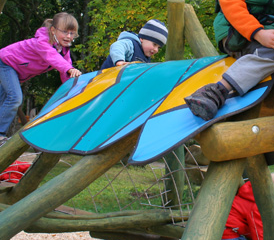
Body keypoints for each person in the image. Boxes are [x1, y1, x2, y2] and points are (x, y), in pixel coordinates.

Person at [0, 12, 82, 144]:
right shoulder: (43, 42)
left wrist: (73, 91)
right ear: (53, 30)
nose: (68, 36)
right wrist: (69, 69)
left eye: (72, 33)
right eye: (65, 32)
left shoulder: (63, 50)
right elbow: (54, 59)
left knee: (3, 100)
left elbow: (66, 72)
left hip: (16, 71)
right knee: (14, 98)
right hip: (6, 63)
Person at [101, 19, 168, 69]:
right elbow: (117, 46)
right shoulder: (131, 44)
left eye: (159, 47)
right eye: (154, 44)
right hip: (106, 80)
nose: (156, 50)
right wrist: (119, 61)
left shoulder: (145, 57)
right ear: (142, 38)